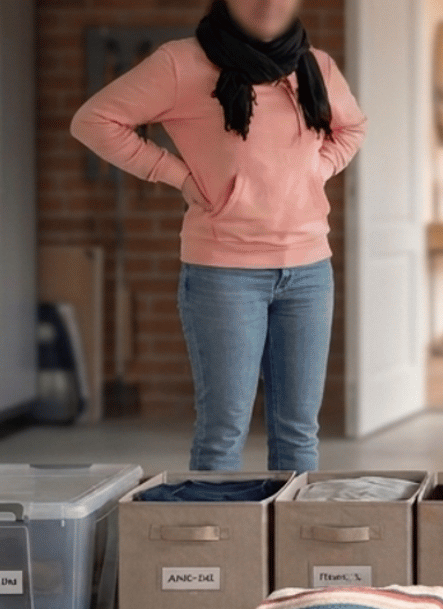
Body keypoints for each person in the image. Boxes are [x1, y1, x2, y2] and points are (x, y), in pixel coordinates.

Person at [72, 0, 366, 472]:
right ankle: (218, 546)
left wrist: (318, 168)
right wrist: (177, 176)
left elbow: (351, 127)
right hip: (224, 274)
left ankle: (289, 544)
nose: (268, 3)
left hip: (309, 272)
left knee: (298, 432)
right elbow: (94, 120)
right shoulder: (181, 63)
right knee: (223, 432)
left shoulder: (315, 65)